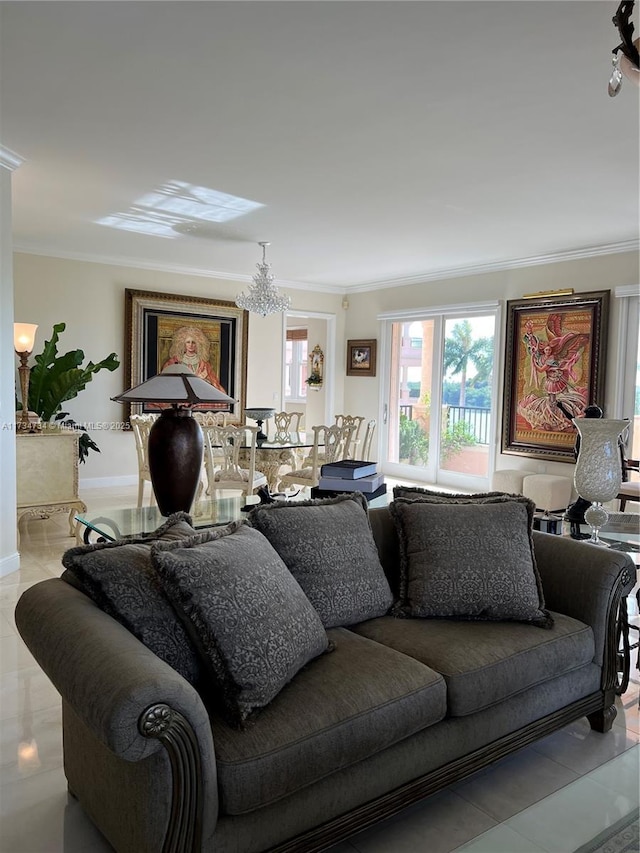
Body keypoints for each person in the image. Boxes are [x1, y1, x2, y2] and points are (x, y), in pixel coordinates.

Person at [162, 326, 226, 393]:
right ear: (183, 344)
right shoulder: (174, 361)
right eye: (188, 342)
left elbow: (214, 384)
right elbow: (165, 382)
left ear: (198, 344)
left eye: (193, 342)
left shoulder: (205, 365)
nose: (190, 345)